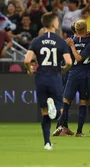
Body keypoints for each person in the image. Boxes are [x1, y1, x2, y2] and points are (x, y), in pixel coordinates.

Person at [24, 12, 73, 150]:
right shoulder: (60, 41)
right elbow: (68, 62)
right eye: (57, 21)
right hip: (55, 77)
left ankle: (47, 143)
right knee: (59, 112)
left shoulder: (36, 40)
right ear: (53, 24)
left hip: (40, 77)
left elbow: (27, 60)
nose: (58, 23)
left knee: (44, 112)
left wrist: (29, 69)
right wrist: (63, 69)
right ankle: (55, 110)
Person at [55, 20, 90, 137]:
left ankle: (61, 126)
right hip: (86, 74)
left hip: (72, 73)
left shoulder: (69, 41)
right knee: (83, 101)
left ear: (75, 30)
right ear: (86, 29)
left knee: (66, 101)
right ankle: (79, 131)